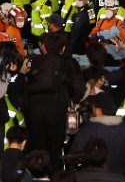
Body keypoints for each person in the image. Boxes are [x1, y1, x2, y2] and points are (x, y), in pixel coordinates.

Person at [23, 32, 86, 164]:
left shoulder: (36, 61)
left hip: (34, 107)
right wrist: (74, 100)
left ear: (44, 47)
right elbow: (78, 87)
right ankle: (55, 179)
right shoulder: (69, 62)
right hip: (57, 108)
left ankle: (39, 178)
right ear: (63, 48)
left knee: (38, 149)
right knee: (56, 149)